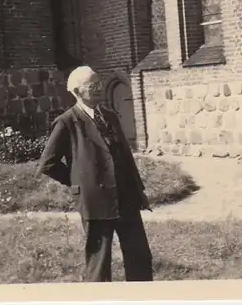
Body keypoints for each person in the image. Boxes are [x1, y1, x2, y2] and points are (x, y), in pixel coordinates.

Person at [36, 65, 154, 282]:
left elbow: (126, 158)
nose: (100, 88)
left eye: (99, 83)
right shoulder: (67, 121)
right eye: (93, 85)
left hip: (126, 198)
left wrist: (139, 191)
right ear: (78, 92)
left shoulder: (109, 115)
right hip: (96, 202)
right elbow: (48, 163)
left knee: (140, 257)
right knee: (99, 264)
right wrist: (78, 183)